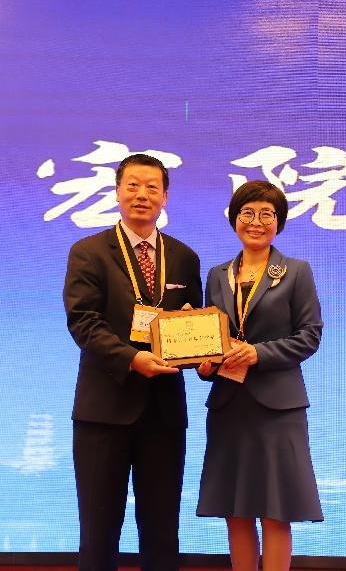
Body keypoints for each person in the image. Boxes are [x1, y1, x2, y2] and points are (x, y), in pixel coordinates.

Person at [63, 153, 202, 571]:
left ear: (165, 197)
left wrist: (204, 353)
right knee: (99, 531)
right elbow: (83, 323)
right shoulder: (89, 252)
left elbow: (193, 326)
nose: (142, 195)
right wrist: (132, 359)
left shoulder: (184, 257)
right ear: (117, 191)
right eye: (133, 186)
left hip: (163, 412)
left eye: (152, 187)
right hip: (104, 412)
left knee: (162, 530)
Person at [196, 180, 323, 571]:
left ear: (278, 222)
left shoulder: (296, 271)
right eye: (247, 213)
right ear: (235, 219)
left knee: (275, 509)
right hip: (229, 405)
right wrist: (205, 364)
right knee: (235, 509)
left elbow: (310, 335)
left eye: (266, 214)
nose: (256, 221)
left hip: (277, 408)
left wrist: (258, 353)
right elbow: (211, 337)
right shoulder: (217, 275)